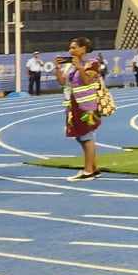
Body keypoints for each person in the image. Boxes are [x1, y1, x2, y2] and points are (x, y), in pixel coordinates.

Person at [56, 37, 106, 181]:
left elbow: (87, 81)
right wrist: (57, 68)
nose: (70, 50)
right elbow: (61, 82)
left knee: (86, 136)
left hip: (87, 106)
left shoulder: (93, 63)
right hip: (73, 105)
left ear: (83, 49)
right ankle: (94, 168)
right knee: (80, 136)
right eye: (70, 48)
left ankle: (88, 171)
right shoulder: (69, 65)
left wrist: (79, 67)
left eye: (74, 47)